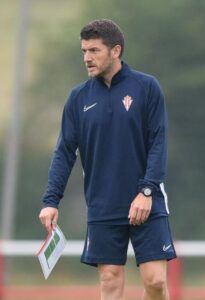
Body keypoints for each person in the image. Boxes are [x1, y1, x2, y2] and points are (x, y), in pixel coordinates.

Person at [39, 19, 176, 300]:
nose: (87, 58)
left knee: (155, 281)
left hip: (146, 200)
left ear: (116, 51)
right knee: (110, 281)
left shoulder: (146, 87)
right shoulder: (78, 98)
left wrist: (147, 190)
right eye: (84, 51)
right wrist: (51, 201)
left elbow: (159, 142)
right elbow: (65, 151)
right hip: (103, 202)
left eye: (94, 50)